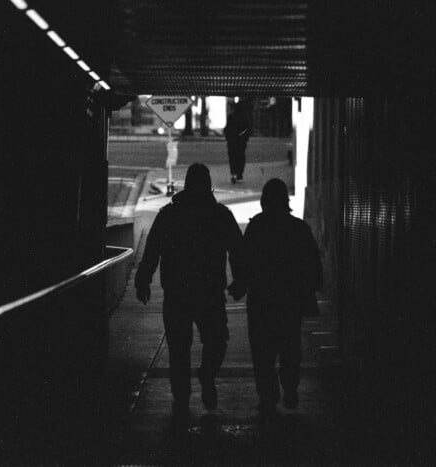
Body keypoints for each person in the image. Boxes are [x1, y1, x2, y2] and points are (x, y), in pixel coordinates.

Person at [135, 163, 246, 418]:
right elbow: (238, 252)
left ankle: (182, 396)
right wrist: (240, 281)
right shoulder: (220, 215)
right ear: (208, 185)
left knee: (179, 347)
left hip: (177, 293)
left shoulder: (169, 215)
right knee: (216, 340)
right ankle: (207, 376)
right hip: (209, 292)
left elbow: (153, 250)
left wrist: (143, 280)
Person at [243, 178, 322, 417]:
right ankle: (289, 388)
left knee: (262, 351)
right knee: (290, 347)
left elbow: (245, 262)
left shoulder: (256, 227)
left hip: (261, 301)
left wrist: (240, 284)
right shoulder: (298, 228)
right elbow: (312, 263)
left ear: (264, 201)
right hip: (290, 301)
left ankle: (268, 393)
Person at [224, 99, 252, 184]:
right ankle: (239, 174)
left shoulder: (231, 117)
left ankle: (233, 173)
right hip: (241, 141)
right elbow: (248, 129)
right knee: (240, 157)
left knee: (232, 157)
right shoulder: (245, 117)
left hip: (232, 141)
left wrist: (228, 137)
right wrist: (244, 137)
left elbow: (226, 129)